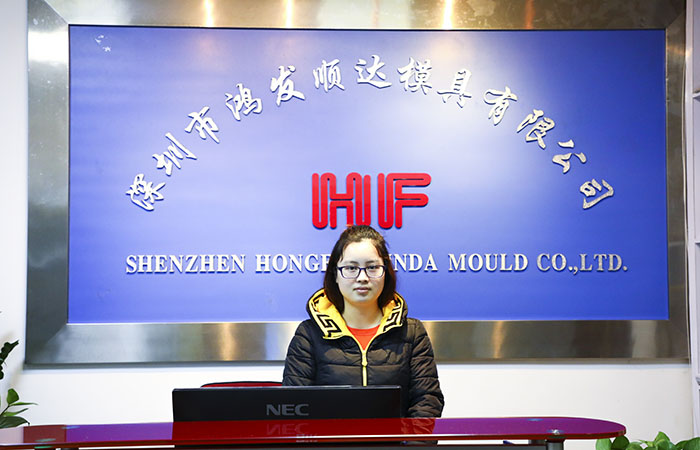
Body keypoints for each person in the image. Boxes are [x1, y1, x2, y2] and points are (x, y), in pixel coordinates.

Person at [282, 225, 444, 418]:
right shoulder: (309, 334)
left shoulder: (412, 332)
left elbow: (427, 402)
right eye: (351, 268)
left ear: (386, 272)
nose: (362, 278)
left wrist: (404, 439)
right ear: (335, 274)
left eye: (372, 267)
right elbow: (293, 407)